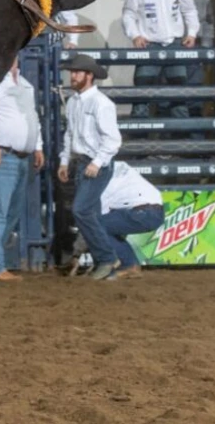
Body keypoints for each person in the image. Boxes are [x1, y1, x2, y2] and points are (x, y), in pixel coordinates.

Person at [0, 59, 45, 282]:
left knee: (10, 213)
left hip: (21, 156)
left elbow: (33, 117)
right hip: (1, 154)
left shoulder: (23, 85)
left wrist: (38, 146)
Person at [57, 54, 122, 281]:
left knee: (81, 210)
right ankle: (106, 267)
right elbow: (70, 134)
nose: (73, 75)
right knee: (89, 212)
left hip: (95, 164)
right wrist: (65, 161)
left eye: (77, 72)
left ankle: (106, 258)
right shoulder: (75, 101)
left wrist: (96, 162)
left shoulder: (102, 104)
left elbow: (113, 140)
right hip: (83, 163)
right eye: (72, 72)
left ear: (89, 75)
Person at [122, 0, 199, 119]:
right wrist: (135, 35)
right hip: (149, 46)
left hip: (175, 44)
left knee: (178, 98)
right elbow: (129, 14)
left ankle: (180, 143)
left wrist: (192, 33)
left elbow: (189, 10)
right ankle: (140, 143)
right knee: (141, 97)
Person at [99, 163, 164, 280]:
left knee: (98, 225)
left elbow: (94, 222)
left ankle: (128, 264)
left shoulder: (104, 184)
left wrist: (76, 254)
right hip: (155, 211)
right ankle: (127, 264)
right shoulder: (120, 165)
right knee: (109, 224)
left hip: (142, 212)